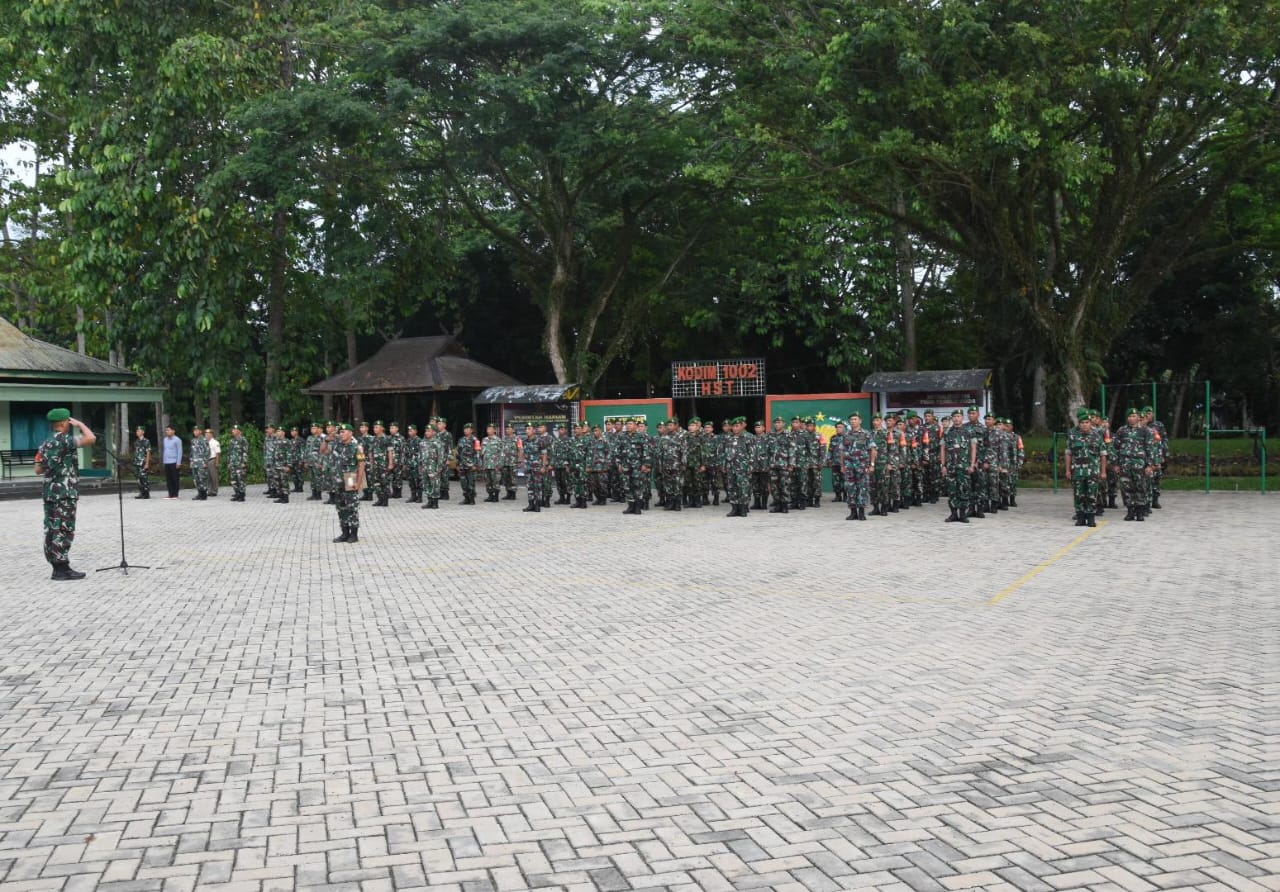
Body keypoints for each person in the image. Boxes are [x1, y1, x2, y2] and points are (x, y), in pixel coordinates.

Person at [35, 408, 96, 580]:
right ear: (63, 423)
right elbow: (91, 438)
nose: (70, 424)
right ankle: (61, 569)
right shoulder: (66, 440)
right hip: (65, 492)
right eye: (68, 421)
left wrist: (53, 465)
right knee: (64, 528)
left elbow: (38, 469)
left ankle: (58, 566)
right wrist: (80, 424)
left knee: (52, 528)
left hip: (50, 492)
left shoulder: (45, 444)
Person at [323, 423, 365, 543]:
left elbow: (361, 465)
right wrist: (326, 440)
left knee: (352, 507)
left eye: (344, 432)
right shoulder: (336, 445)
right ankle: (344, 533)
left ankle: (354, 534)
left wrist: (359, 483)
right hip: (337, 479)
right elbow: (323, 451)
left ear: (351, 433)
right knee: (341, 507)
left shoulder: (357, 447)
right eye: (340, 432)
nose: (341, 434)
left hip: (350, 478)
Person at [1064, 409, 1105, 527]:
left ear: (1090, 423)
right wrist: (1067, 470)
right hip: (1078, 470)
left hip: (1092, 470)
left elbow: (1103, 454)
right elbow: (1068, 454)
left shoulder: (1097, 436)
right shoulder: (1073, 436)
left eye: (1087, 422)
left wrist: (1103, 471)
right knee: (1078, 494)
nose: (1084, 425)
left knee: (1092, 494)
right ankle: (1080, 517)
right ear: (1079, 424)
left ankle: (1091, 517)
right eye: (1082, 423)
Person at [940, 409, 975, 523]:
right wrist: (943, 465)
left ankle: (963, 515)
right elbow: (943, 449)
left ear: (962, 418)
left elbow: (973, 448)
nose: (956, 418)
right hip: (951, 467)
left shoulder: (969, 431)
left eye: (958, 416)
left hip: (964, 467)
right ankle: (953, 514)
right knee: (952, 491)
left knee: (964, 490)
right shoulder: (947, 432)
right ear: (952, 418)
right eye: (954, 416)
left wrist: (972, 464)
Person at [226, 423, 249, 501]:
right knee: (234, 480)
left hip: (240, 463)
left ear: (239, 431)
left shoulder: (243, 440)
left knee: (241, 480)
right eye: (233, 429)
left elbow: (245, 452)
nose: (233, 431)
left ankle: (242, 495)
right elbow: (230, 453)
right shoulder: (232, 440)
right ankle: (237, 494)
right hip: (233, 463)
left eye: (235, 430)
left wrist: (244, 462)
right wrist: (229, 462)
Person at [190, 425, 211, 500]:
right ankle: (199, 493)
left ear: (200, 431)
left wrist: (205, 462)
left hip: (201, 463)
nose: (195, 432)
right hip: (195, 463)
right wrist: (191, 461)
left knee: (202, 478)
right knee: (196, 479)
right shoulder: (193, 440)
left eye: (197, 430)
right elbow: (192, 452)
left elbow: (207, 451)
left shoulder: (204, 440)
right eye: (194, 431)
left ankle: (204, 494)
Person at [162, 425, 182, 499]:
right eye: (166, 430)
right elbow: (165, 450)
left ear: (173, 431)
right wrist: (164, 460)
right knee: (169, 479)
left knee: (175, 478)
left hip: (174, 461)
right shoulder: (165, 440)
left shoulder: (177, 440)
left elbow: (179, 451)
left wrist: (178, 462)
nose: (167, 431)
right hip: (167, 461)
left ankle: (175, 494)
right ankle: (170, 494)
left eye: (169, 430)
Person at [132, 425, 151, 499]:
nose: (137, 432)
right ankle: (141, 492)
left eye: (139, 431)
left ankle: (146, 493)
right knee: (138, 478)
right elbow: (136, 452)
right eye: (137, 431)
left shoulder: (146, 441)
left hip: (143, 463)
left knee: (144, 478)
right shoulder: (136, 441)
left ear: (143, 432)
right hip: (137, 462)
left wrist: (147, 463)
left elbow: (148, 452)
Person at [204, 428, 221, 497]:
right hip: (206, 460)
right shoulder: (205, 442)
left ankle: (214, 491)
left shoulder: (215, 442)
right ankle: (209, 490)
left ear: (211, 434)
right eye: (206, 434)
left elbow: (218, 453)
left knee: (214, 477)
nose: (206, 435)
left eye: (208, 434)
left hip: (212, 460)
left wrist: (217, 462)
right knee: (208, 477)